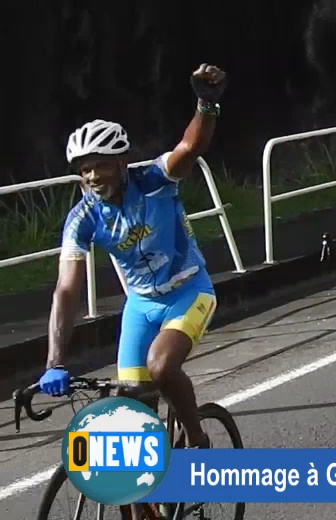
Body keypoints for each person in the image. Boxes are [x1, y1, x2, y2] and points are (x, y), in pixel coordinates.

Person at [42, 64, 228, 451]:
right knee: (130, 412)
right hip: (140, 305)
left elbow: (190, 147)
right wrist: (55, 361)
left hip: (188, 290)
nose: (94, 177)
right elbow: (66, 290)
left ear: (122, 163)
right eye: (86, 169)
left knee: (161, 366)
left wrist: (206, 104)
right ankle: (144, 508)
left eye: (102, 165)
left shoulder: (153, 181)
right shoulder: (83, 219)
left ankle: (197, 439)